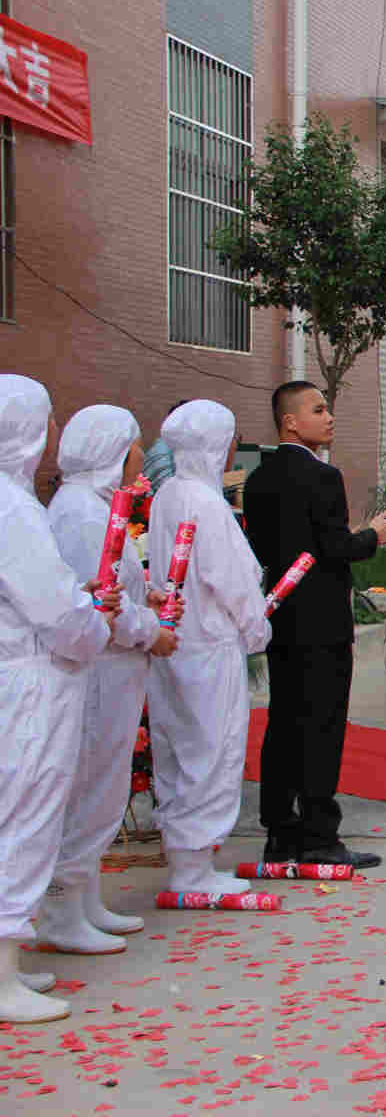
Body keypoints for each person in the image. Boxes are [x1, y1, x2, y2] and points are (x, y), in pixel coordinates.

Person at [0, 376, 121, 1023]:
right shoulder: (13, 509)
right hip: (29, 680)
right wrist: (95, 621)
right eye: (48, 420)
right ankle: (1, 978)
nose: (54, 434)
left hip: (15, 672)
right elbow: (57, 611)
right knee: (24, 819)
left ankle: (8, 962)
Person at [42, 405, 180, 955]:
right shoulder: (82, 514)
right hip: (99, 670)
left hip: (114, 671)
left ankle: (83, 897)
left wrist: (143, 602)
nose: (142, 455)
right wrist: (151, 632)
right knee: (89, 787)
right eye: (136, 444)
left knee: (103, 785)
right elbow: (99, 605)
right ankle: (60, 907)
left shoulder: (93, 506)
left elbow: (114, 589)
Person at [242, 382, 386, 870]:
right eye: (318, 409)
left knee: (285, 720)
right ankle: (319, 833)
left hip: (282, 614)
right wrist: (373, 536)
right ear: (290, 421)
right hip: (322, 619)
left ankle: (279, 829)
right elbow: (332, 549)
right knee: (322, 725)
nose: (329, 417)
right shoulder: (323, 476)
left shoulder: (259, 479)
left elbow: (274, 547)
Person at [146, 400, 273, 899]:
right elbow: (232, 579)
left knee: (178, 749)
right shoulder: (206, 502)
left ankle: (185, 855)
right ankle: (194, 865)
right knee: (213, 750)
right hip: (211, 643)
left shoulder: (167, 495)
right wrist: (256, 626)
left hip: (174, 640)